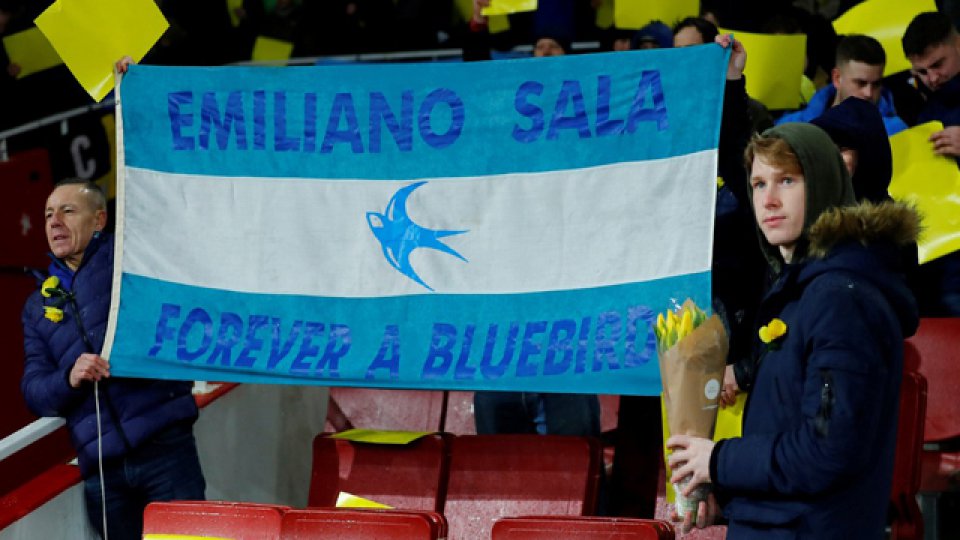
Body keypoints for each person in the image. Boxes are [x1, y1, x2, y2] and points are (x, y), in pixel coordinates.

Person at [667, 123, 919, 537]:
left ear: (821, 183)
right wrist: (725, 488)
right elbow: (786, 437)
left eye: (787, 180)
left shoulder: (841, 300)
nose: (768, 200)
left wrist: (717, 460)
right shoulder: (804, 291)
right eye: (758, 184)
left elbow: (827, 451)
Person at [20, 179, 205, 540]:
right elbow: (33, 391)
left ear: (99, 220)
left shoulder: (131, 263)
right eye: (47, 215)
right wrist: (68, 378)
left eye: (68, 210)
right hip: (103, 475)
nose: (54, 221)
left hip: (165, 451)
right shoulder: (36, 307)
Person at [901, 11, 960, 317]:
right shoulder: (927, 113)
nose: (932, 78)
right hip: (945, 267)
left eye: (938, 64)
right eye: (921, 72)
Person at [777, 34, 908, 135]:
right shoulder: (790, 128)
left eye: (876, 84)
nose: (868, 93)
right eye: (860, 83)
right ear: (837, 78)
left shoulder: (895, 130)